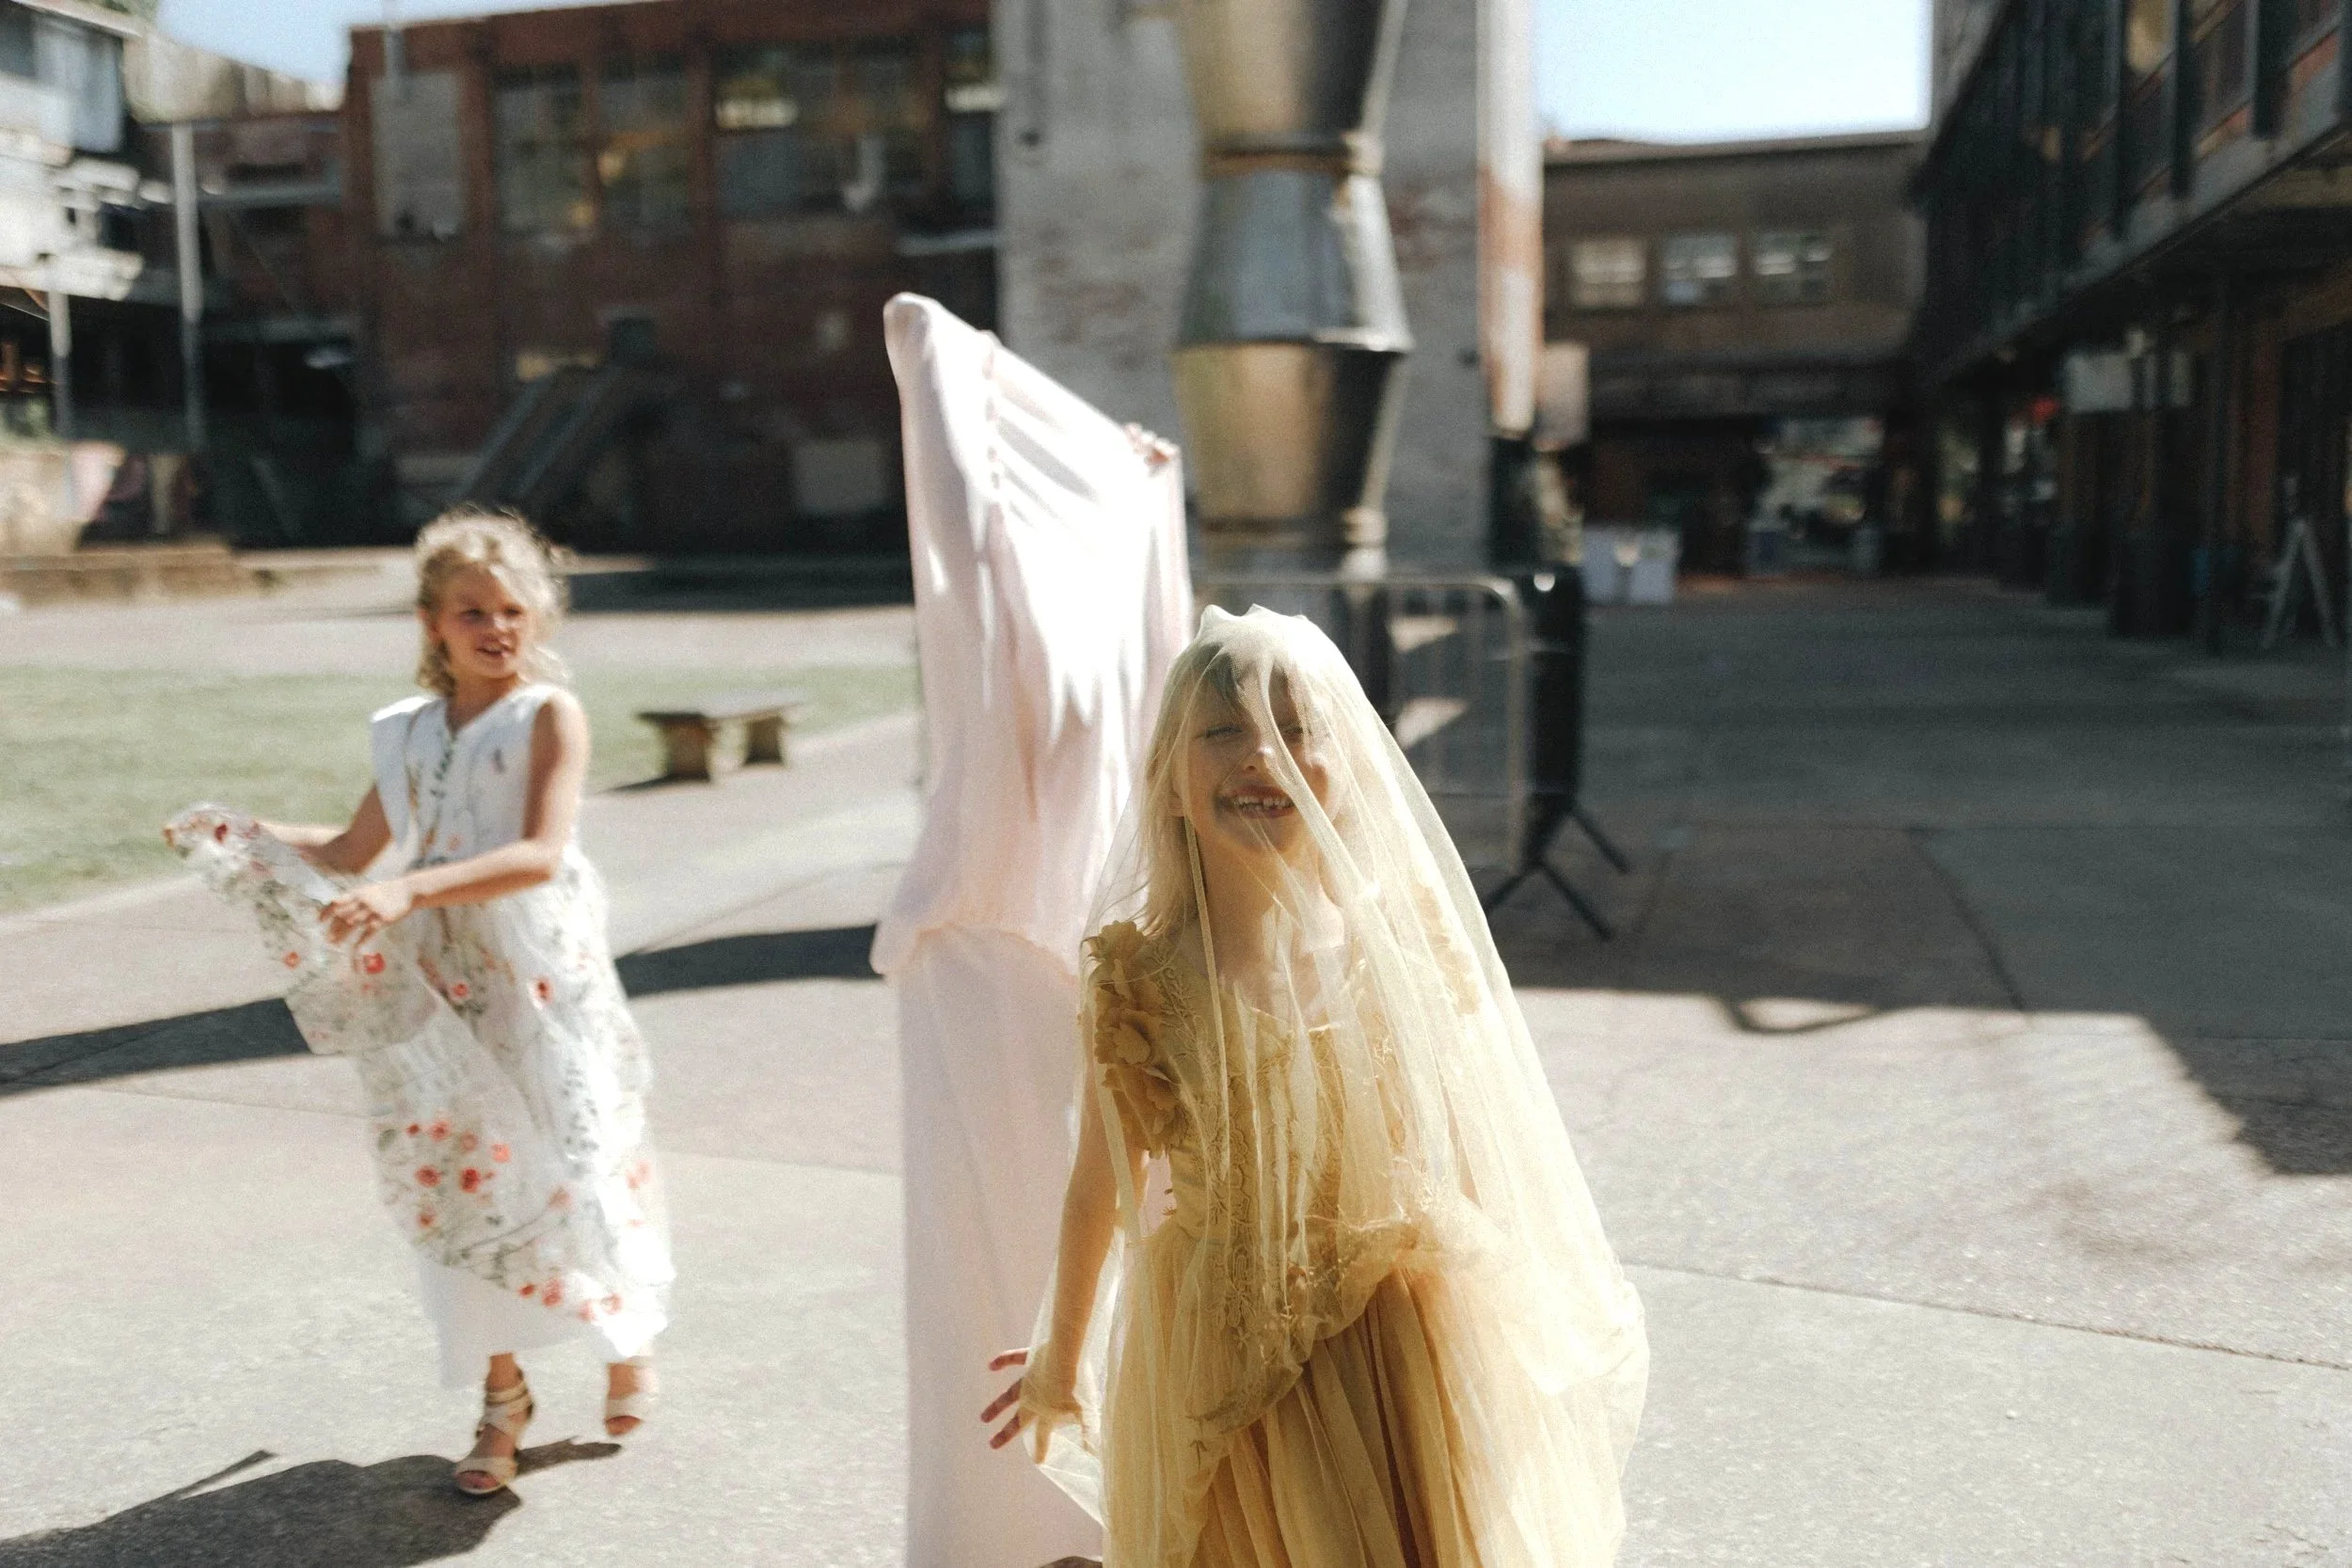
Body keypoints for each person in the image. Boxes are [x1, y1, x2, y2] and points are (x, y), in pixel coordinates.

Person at [983, 606, 1649, 1567]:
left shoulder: (1398, 951)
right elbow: (1098, 1180)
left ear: (1351, 773)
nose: (1263, 754)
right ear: (1170, 778)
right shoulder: (1144, 977)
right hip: (1223, 1346)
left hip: (1395, 1341)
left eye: (1297, 729)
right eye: (1223, 730)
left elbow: (1470, 1145)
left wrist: (1511, 1325)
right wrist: (1061, 1354)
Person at [164, 508, 673, 1497]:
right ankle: (502, 1394)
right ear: (431, 622)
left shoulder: (546, 714)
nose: (496, 628)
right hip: (440, 984)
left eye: (514, 609)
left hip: (538, 978)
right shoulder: (406, 733)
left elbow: (535, 852)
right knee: (465, 1180)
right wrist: (247, 832)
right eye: (471, 610)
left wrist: (410, 888)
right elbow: (356, 851)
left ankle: (627, 1332)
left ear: (541, 616)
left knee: (578, 1157)